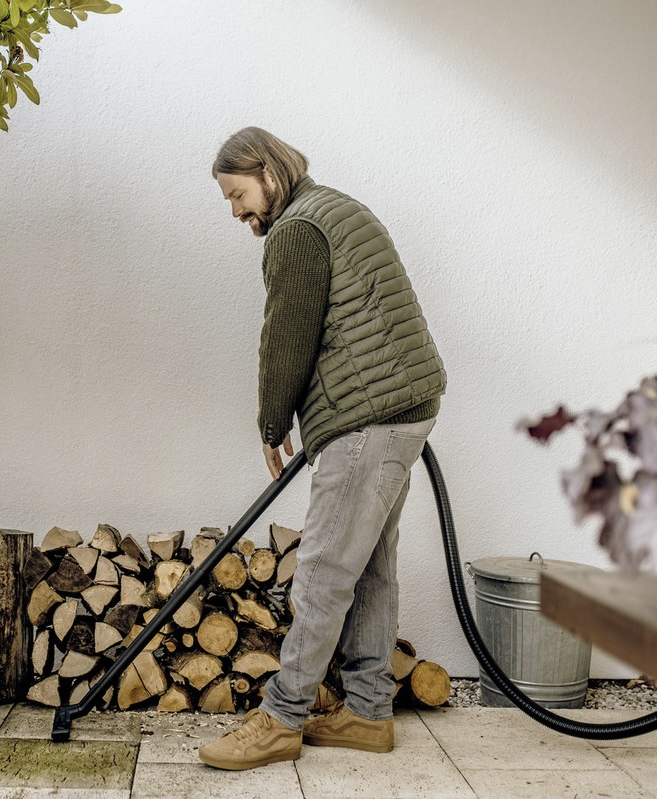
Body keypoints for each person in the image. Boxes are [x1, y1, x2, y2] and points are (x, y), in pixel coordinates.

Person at [199, 128, 447, 771]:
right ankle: (366, 710)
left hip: (368, 416)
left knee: (324, 570)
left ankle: (281, 719)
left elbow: (287, 333)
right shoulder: (335, 206)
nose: (236, 211)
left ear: (266, 171)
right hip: (400, 407)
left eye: (237, 194)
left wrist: (270, 421)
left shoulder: (297, 230)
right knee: (367, 567)